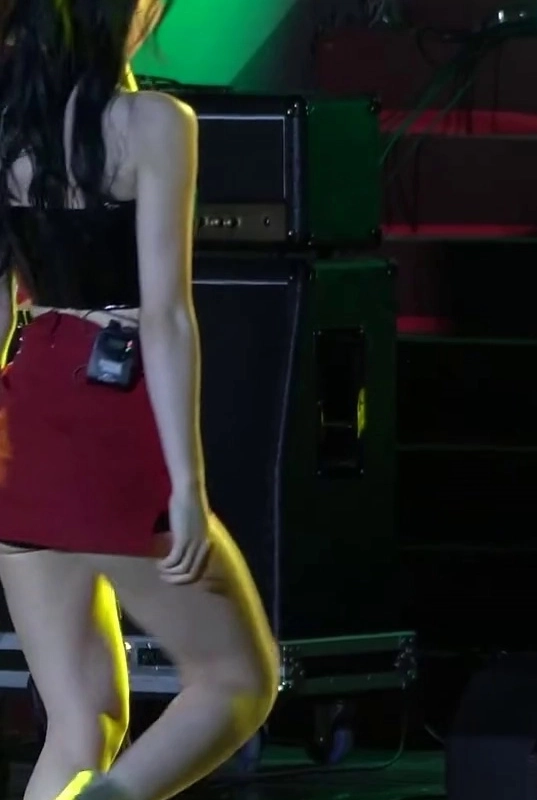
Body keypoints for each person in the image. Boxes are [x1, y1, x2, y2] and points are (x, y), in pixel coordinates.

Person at [0, 4, 279, 800]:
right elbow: (165, 316)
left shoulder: (10, 129)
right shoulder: (157, 123)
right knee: (239, 681)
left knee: (80, 725)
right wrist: (187, 486)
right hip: (110, 409)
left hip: (26, 415)